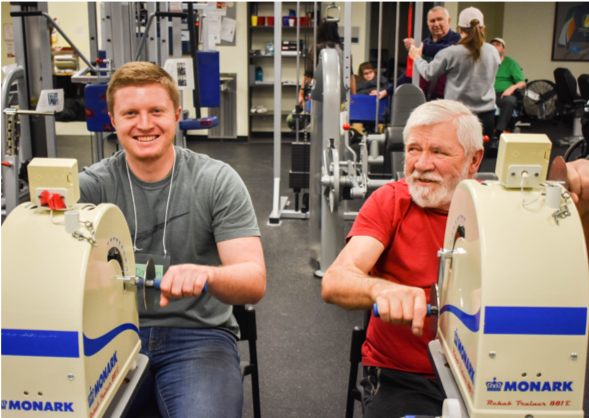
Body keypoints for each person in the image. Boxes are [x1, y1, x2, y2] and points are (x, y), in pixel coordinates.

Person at [321, 99, 589, 418]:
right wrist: (381, 290)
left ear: (474, 160)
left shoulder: (500, 207)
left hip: (491, 372)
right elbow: (336, 280)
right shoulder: (390, 201)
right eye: (413, 149)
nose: (420, 164)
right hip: (406, 377)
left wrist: (582, 210)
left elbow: (565, 278)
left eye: (438, 152)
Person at [78, 62, 267, 418]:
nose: (145, 124)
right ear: (113, 120)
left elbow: (253, 280)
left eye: (157, 111)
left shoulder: (216, 181)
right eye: (130, 113)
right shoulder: (92, 186)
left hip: (198, 336)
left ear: (177, 114)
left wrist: (207, 276)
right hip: (112, 334)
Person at [409, 7, 500, 139]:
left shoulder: (451, 52)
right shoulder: (493, 51)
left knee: (454, 158)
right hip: (486, 117)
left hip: (457, 117)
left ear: (460, 29)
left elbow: (428, 73)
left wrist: (417, 58)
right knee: (480, 158)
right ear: (482, 28)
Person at [377, 6, 461, 101]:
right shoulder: (425, 43)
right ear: (428, 23)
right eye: (432, 21)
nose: (436, 24)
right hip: (424, 99)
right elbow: (411, 72)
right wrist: (388, 91)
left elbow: (446, 52)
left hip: (448, 101)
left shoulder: (457, 40)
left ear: (448, 20)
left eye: (440, 19)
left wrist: (420, 46)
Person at [298, 20, 356, 106]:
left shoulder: (318, 48)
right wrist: (354, 97)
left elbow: (309, 74)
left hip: (320, 93)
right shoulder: (344, 49)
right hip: (341, 93)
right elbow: (351, 75)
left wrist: (301, 94)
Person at [490, 37, 526, 141]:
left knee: (509, 101)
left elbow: (522, 82)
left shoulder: (510, 63)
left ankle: (498, 132)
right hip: (487, 93)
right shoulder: (484, 61)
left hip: (503, 94)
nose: (495, 47)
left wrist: (512, 88)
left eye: (498, 45)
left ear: (503, 49)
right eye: (492, 45)